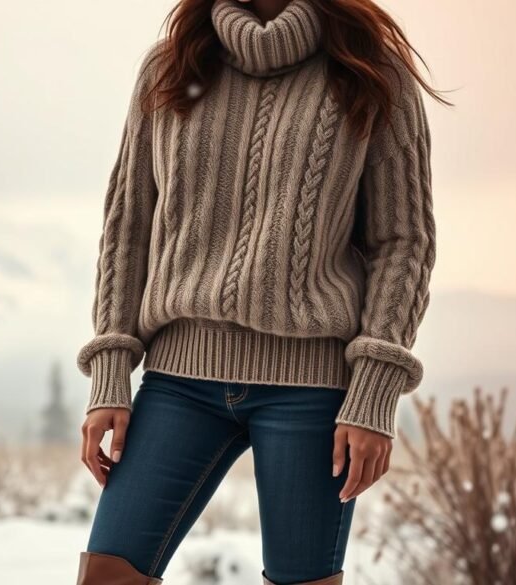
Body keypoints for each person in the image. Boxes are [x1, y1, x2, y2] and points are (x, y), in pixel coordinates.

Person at [74, 0, 450, 583]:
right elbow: (129, 227)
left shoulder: (371, 73)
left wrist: (374, 394)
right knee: (108, 574)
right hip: (180, 381)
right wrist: (109, 375)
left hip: (312, 390)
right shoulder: (171, 68)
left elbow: (404, 242)